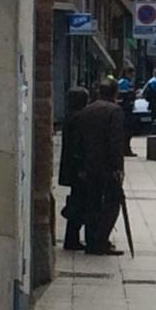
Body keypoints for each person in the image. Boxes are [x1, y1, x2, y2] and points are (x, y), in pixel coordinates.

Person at [76, 79, 126, 256]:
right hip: (107, 167)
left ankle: (91, 239)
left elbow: (79, 141)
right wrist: (118, 167)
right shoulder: (115, 111)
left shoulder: (86, 111)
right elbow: (115, 142)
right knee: (112, 203)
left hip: (89, 166)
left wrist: (81, 165)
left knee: (93, 203)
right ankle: (101, 239)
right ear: (114, 93)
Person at [58, 87, 90, 251]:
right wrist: (83, 167)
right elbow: (79, 145)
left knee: (77, 201)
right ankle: (72, 238)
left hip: (72, 168)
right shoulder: (79, 119)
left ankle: (72, 237)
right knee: (79, 203)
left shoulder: (70, 117)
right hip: (78, 169)